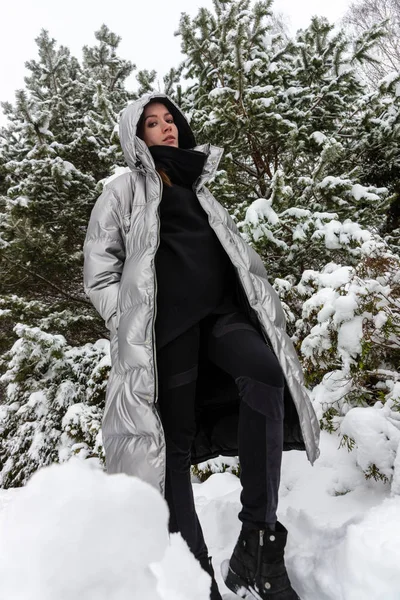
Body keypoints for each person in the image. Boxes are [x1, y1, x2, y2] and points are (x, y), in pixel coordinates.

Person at [83, 92, 320, 600]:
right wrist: (130, 322)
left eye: (171, 120)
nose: (166, 128)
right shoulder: (123, 191)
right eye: (152, 123)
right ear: (136, 135)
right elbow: (99, 271)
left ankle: (258, 544)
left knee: (265, 378)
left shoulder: (203, 191)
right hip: (166, 333)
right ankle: (198, 582)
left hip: (220, 316)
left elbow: (238, 262)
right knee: (174, 448)